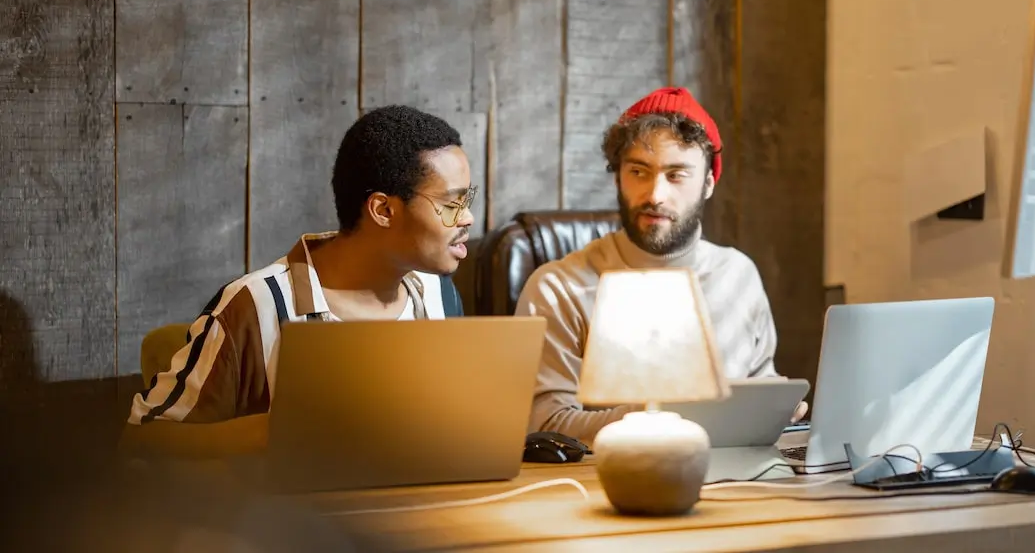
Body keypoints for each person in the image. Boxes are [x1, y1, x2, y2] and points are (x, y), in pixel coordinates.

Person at [122, 105, 475, 457]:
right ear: (382, 210)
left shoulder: (439, 294)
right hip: (298, 514)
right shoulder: (254, 305)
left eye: (468, 200)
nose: (469, 218)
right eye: (451, 204)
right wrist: (276, 431)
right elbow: (143, 440)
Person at [515, 87, 782, 445]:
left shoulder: (738, 275)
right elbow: (543, 424)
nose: (655, 194)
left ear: (708, 183)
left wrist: (779, 410)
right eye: (639, 171)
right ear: (617, 177)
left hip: (740, 485)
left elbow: (762, 387)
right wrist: (651, 416)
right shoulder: (559, 287)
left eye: (676, 175)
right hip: (598, 487)